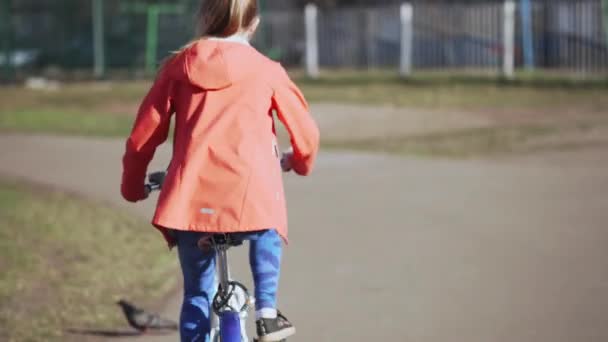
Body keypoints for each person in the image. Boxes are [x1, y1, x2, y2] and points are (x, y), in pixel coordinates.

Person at [119, 0, 320, 340]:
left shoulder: (177, 69)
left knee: (197, 293)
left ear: (203, 18)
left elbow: (142, 139)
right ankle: (267, 312)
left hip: (192, 204)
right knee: (267, 221)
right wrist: (297, 162)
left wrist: (133, 186)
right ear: (253, 24)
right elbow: (307, 136)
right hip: (249, 203)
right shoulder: (267, 70)